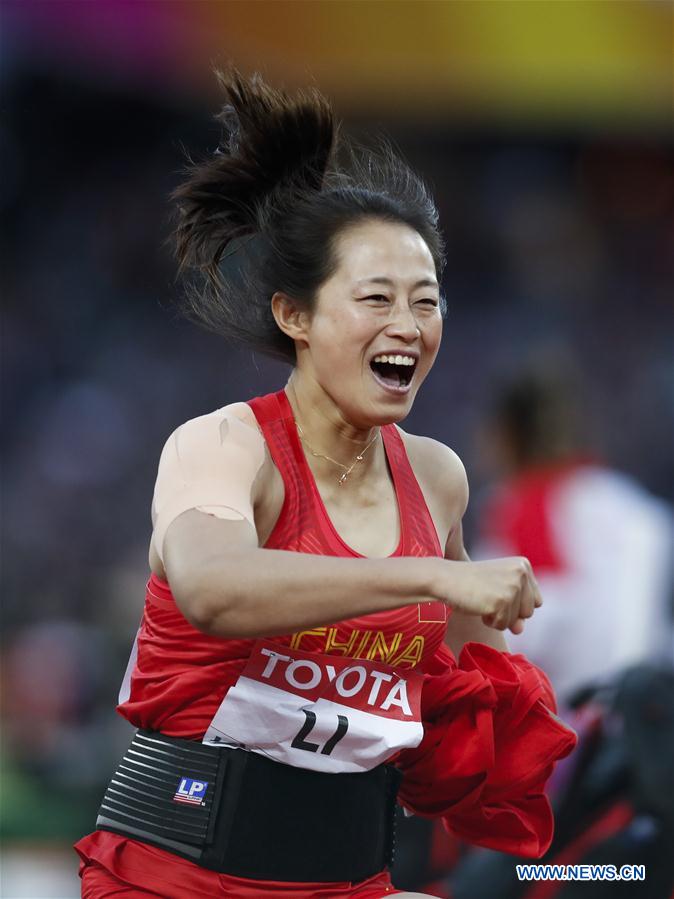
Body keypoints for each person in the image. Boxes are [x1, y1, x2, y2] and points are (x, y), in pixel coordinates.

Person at [74, 69, 576, 898]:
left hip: (352, 880)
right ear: (295, 315)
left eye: (426, 301)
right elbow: (212, 588)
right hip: (176, 879)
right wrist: (429, 574)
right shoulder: (224, 446)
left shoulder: (437, 478)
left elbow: (469, 705)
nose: (408, 325)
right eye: (376, 298)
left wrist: (584, 752)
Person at [473, 364, 673, 705]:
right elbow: (653, 533)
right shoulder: (611, 492)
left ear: (507, 435)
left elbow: (518, 621)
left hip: (583, 705)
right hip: (648, 691)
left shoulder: (521, 505)